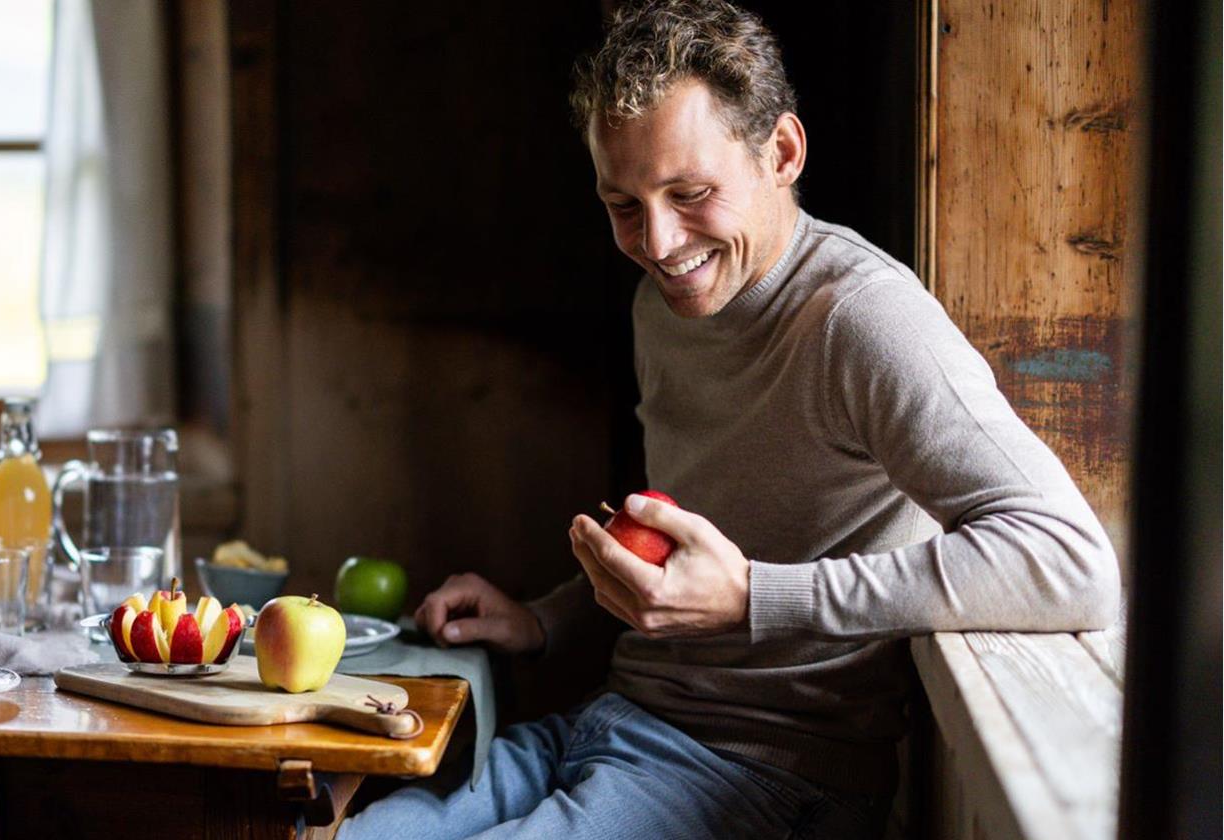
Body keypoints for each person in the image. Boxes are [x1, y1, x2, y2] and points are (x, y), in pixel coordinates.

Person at [340, 1, 1120, 838]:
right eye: (623, 204)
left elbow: (1067, 561)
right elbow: (691, 545)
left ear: (780, 152)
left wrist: (755, 597)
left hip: (759, 776)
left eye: (690, 193)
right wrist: (546, 618)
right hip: (605, 723)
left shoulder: (864, 319)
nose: (659, 242)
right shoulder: (660, 305)